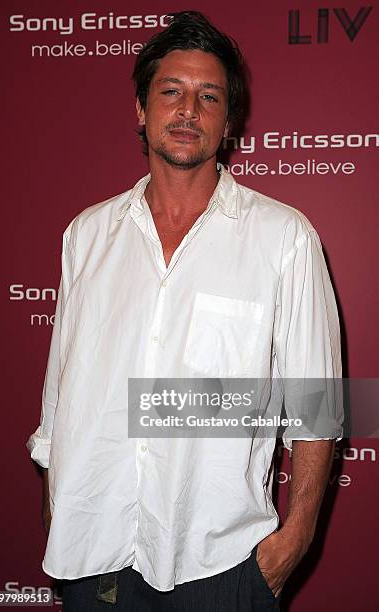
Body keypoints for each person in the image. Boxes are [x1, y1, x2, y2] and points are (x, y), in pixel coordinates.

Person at [27, 11, 343, 612]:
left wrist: (292, 543)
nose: (187, 111)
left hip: (221, 562)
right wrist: (55, 499)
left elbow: (318, 402)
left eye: (208, 96)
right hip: (91, 551)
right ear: (141, 111)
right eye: (170, 91)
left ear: (228, 121)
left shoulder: (284, 238)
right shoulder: (88, 235)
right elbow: (61, 385)